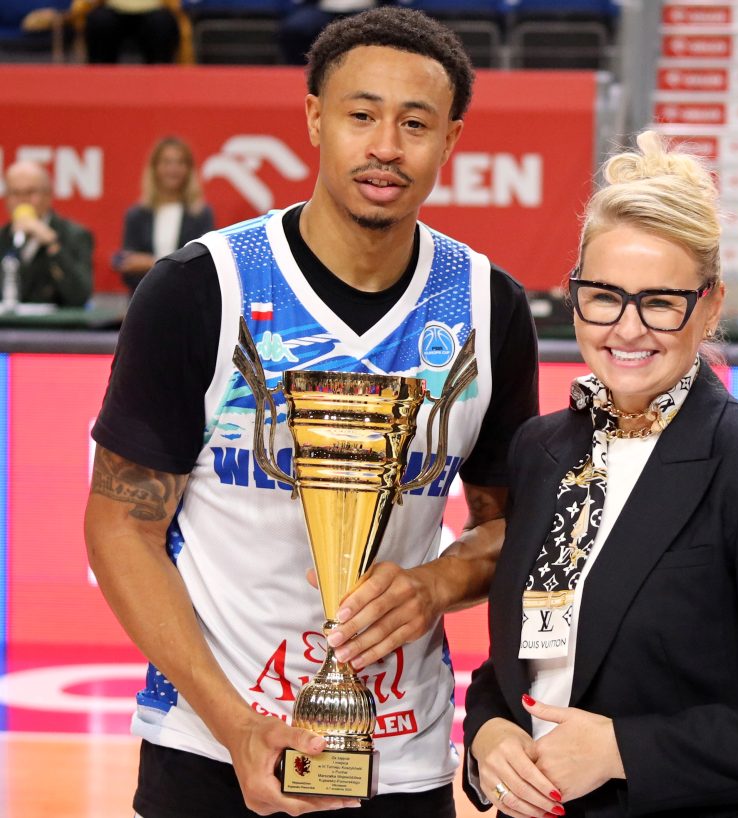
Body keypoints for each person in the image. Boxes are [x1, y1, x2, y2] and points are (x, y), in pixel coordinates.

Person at [83, 8, 538, 818]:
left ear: (452, 139)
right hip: (213, 746)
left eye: (415, 124)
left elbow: (508, 529)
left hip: (400, 755)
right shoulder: (200, 288)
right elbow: (122, 526)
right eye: (362, 115)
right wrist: (235, 726)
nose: (386, 146)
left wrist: (435, 583)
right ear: (315, 118)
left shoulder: (487, 306)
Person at [462, 131, 738, 818]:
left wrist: (624, 751)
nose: (627, 329)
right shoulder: (540, 449)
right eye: (604, 296)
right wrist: (489, 731)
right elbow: (527, 658)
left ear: (710, 305)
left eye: (660, 302)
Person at [115, 136, 215, 293]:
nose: (173, 169)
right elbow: (129, 267)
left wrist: (150, 262)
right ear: (155, 168)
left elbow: (201, 265)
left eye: (180, 162)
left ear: (189, 169)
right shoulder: (137, 215)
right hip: (145, 297)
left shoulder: (201, 215)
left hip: (188, 298)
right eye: (167, 162)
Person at [0, 160, 93, 308]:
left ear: (48, 195)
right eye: (15, 193)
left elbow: (79, 296)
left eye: (30, 192)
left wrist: (52, 245)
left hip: (58, 322)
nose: (22, 200)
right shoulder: (3, 238)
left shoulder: (74, 235)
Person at [81, 0, 180, 64]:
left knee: (162, 23)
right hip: (112, 9)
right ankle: (100, 75)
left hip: (154, 9)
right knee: (100, 21)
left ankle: (161, 77)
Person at [280, 0, 376, 65]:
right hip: (323, 9)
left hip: (363, 9)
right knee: (294, 28)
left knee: (365, 30)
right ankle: (300, 71)